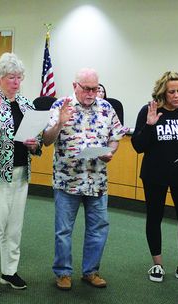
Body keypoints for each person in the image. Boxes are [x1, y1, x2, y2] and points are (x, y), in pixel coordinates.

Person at [42, 68, 125, 291]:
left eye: (95, 88)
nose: (91, 93)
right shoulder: (61, 106)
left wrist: (111, 151)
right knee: (64, 230)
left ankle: (91, 271)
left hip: (97, 180)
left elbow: (115, 137)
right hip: (67, 180)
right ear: (75, 86)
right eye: (86, 88)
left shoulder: (106, 108)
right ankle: (63, 273)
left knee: (98, 228)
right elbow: (47, 140)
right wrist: (59, 123)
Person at [0, 53, 42, 296]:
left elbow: (37, 141)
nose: (16, 82)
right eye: (11, 77)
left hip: (20, 172)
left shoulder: (26, 103)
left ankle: (9, 271)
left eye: (19, 77)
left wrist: (35, 143)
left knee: (14, 226)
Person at [131, 71, 178, 285]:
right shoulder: (149, 110)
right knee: (155, 217)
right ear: (163, 92)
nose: (176, 95)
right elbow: (138, 146)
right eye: (172, 91)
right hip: (154, 174)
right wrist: (150, 124)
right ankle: (157, 263)